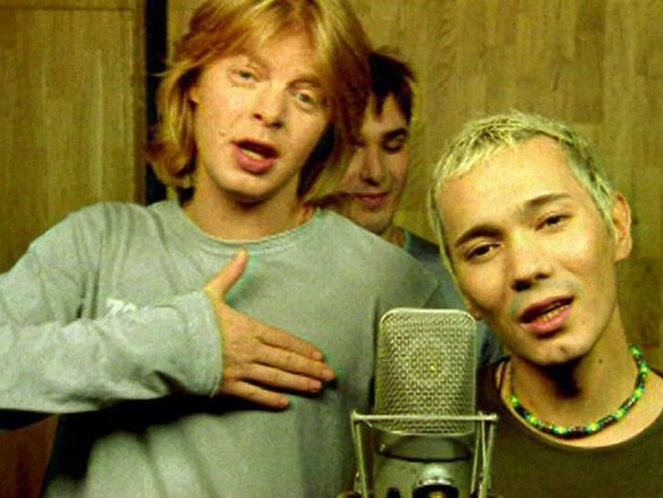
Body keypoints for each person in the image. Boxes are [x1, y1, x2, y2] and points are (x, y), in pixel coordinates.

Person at [0, 1, 445, 496]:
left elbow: (435, 474)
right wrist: (181, 345)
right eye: (246, 75)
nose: (269, 112)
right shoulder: (95, 242)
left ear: (329, 125)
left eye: (305, 96)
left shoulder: (389, 282)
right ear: (194, 83)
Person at [428, 111, 663, 497]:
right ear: (463, 290)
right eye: (483, 249)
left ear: (617, 226)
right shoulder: (421, 446)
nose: (526, 268)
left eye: (552, 221)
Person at [330, 51, 500, 365]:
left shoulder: (462, 284)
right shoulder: (272, 276)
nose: (375, 172)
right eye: (353, 148)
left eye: (392, 145)